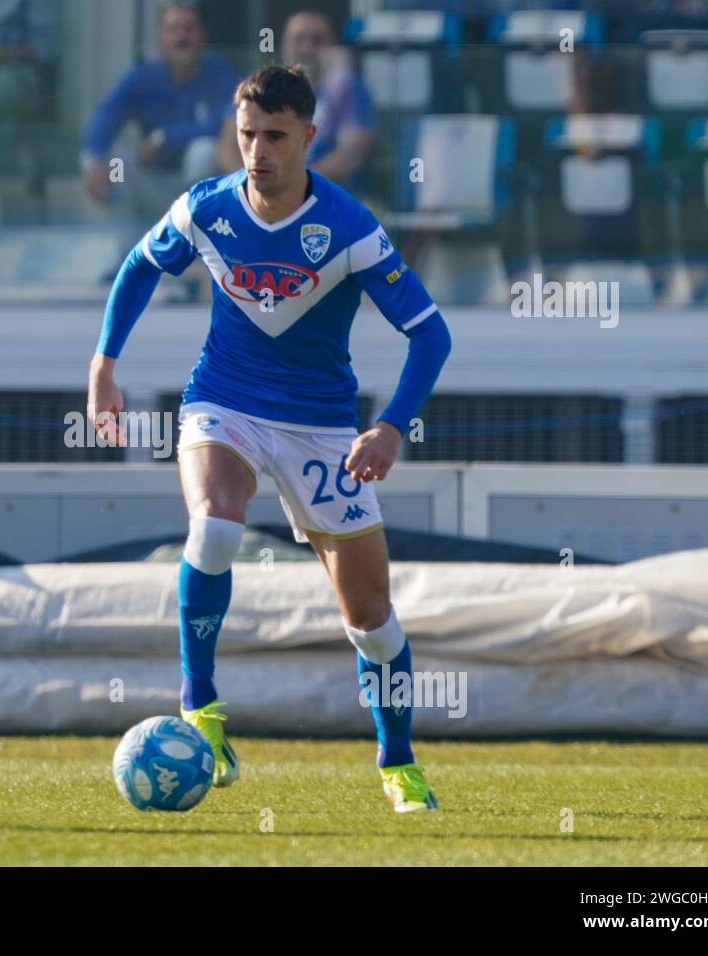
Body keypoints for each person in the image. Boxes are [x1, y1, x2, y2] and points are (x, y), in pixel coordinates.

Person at [87, 66, 452, 812]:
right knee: (216, 522)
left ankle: (397, 761)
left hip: (322, 426)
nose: (258, 151)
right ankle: (203, 709)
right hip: (225, 400)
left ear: (309, 138)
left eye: (276, 136)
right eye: (248, 133)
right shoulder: (207, 208)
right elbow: (137, 266)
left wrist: (387, 428)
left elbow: (431, 335)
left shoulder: (349, 229)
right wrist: (104, 364)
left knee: (371, 619)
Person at [82, 0, 236, 223]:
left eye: (189, 29)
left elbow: (225, 124)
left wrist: (163, 137)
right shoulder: (144, 77)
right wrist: (94, 161)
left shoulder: (220, 74)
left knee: (203, 151)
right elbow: (106, 116)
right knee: (115, 159)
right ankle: (126, 248)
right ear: (161, 37)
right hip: (155, 183)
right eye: (173, 29)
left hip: (203, 192)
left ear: (202, 34)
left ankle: (199, 240)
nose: (181, 37)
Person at [216, 11, 375, 193]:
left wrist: (294, 183)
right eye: (299, 40)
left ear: (333, 47)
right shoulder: (259, 86)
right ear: (284, 46)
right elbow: (227, 149)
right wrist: (252, 185)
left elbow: (350, 155)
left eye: (318, 41)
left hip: (328, 196)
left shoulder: (348, 90)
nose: (307, 48)